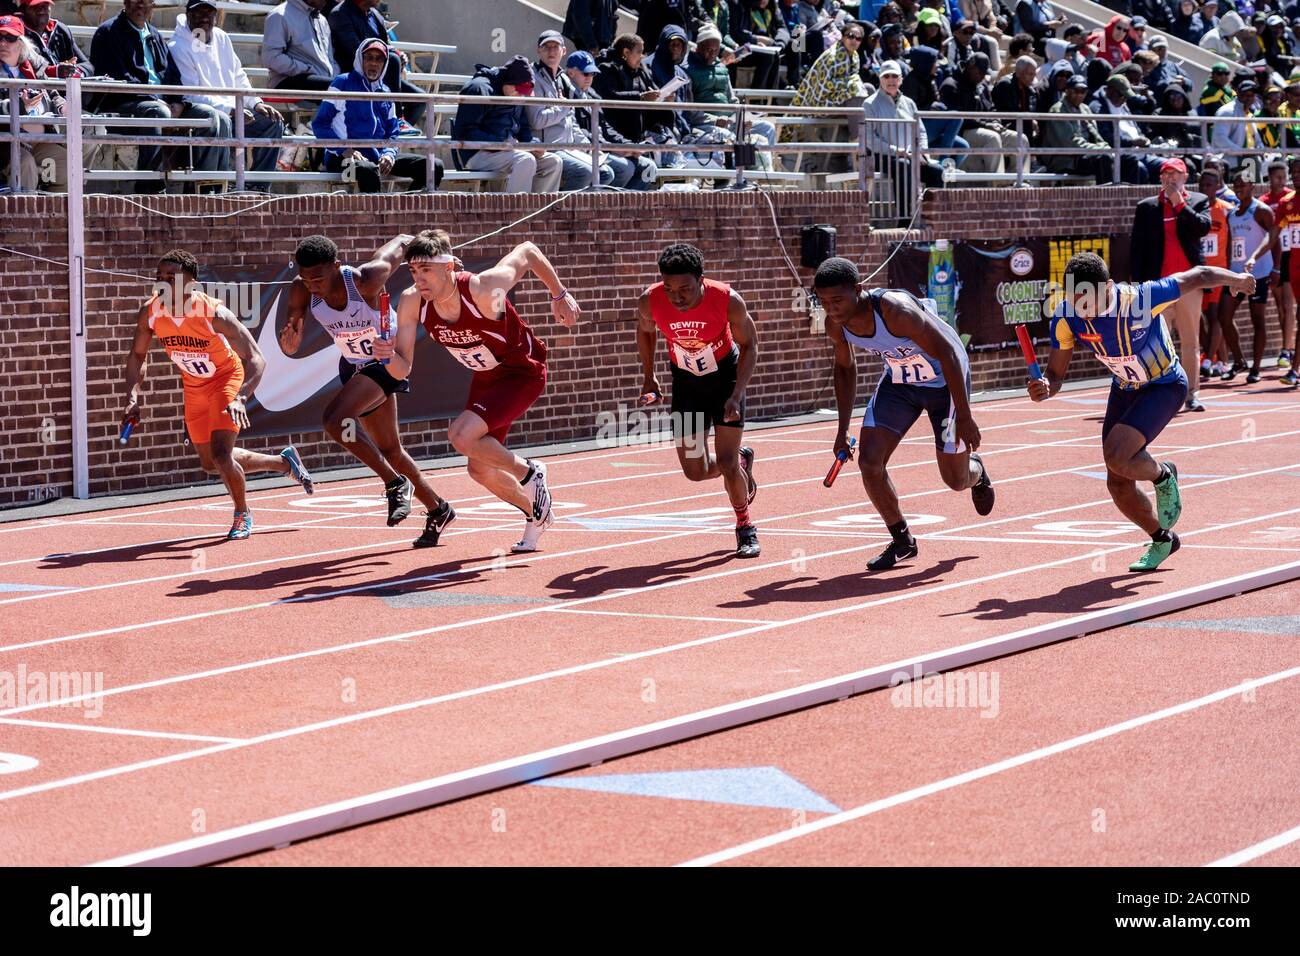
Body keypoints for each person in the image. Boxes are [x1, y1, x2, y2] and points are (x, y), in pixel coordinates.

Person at [1029, 251, 1254, 571]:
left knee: (1117, 455)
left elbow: (1200, 275)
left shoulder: (1141, 299)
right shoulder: (1067, 316)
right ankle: (1162, 538)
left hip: (1164, 385)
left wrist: (1238, 280)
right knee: (1117, 482)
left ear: (1107, 287)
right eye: (1074, 298)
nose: (1082, 308)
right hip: (1124, 388)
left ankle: (1163, 476)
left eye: (1087, 299)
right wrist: (1046, 388)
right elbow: (1055, 375)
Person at [400, 230, 580, 553]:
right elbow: (402, 366)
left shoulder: (485, 290)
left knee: (461, 435)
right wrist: (385, 356)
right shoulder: (413, 302)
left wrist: (558, 294)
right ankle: (535, 512)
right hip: (487, 377)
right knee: (479, 468)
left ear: (449, 267)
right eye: (413, 271)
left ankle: (530, 472)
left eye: (425, 270)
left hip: (521, 371)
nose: (419, 279)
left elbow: (527, 251)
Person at [813, 258, 995, 572]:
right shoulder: (835, 324)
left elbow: (950, 354)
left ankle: (975, 470)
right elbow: (844, 367)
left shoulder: (895, 312)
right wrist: (842, 429)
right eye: (824, 302)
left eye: (838, 300)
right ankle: (902, 541)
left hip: (944, 381)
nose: (831, 309)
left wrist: (964, 415)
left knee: (955, 480)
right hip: (901, 383)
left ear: (859, 290)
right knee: (870, 462)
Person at [124, 250, 314, 540]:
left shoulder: (213, 312)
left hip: (226, 379)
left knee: (222, 454)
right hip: (194, 386)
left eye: (171, 278)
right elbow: (138, 355)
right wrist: (133, 397)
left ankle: (242, 514)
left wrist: (241, 396)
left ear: (191, 283)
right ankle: (284, 463)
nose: (163, 283)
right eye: (159, 277)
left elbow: (257, 358)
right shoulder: (151, 312)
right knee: (210, 463)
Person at [279, 234, 453, 546]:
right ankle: (438, 508)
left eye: (318, 278)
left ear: (337, 265)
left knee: (335, 419)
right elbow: (294, 324)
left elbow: (399, 245)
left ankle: (393, 484)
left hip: (386, 360)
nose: (312, 285)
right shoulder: (301, 288)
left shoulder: (366, 280)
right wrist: (291, 339)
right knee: (390, 450)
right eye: (306, 279)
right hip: (353, 365)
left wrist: (421, 246)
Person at [638, 243, 760, 559]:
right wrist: (649, 375)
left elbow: (750, 345)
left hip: (725, 379)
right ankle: (742, 463)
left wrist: (737, 394)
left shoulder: (727, 300)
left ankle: (745, 527)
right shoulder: (650, 301)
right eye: (669, 288)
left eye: (685, 289)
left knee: (728, 461)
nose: (676, 296)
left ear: (701, 280)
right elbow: (645, 331)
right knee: (695, 470)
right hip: (687, 382)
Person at [1130, 158, 1212, 412]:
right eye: (1166, 175)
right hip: (1159, 286)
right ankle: (1160, 391)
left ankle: (1191, 393)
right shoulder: (1147, 207)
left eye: (1175, 175)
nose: (1170, 179)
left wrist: (1180, 204)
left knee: (1190, 340)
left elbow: (1202, 228)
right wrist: (1138, 287)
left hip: (1189, 283)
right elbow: (1137, 249)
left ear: (1185, 177)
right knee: (1156, 342)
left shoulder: (1198, 201)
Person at [314, 37, 435, 193]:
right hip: (342, 157)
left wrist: (389, 155)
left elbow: (393, 132)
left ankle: (405, 211)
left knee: (432, 166)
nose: (373, 63)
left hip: (376, 156)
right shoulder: (342, 83)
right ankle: (377, 216)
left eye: (379, 59)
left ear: (384, 64)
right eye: (369, 58)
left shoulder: (385, 92)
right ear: (360, 59)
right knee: (368, 170)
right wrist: (345, 149)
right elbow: (320, 124)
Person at [452, 54, 562, 193]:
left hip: (508, 150)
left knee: (553, 162)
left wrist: (533, 144)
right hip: (476, 152)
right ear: (508, 82)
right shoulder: (478, 88)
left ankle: (538, 211)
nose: (521, 96)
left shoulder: (516, 94)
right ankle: (517, 212)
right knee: (525, 161)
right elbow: (465, 132)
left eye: (525, 93)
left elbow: (523, 129)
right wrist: (501, 143)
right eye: (519, 91)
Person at [1217, 168, 1280, 384]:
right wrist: (1226, 270)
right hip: (1236, 274)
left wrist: (1274, 267)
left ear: (1252, 185)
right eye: (1235, 185)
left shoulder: (1261, 211)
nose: (1239, 188)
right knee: (1223, 316)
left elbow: (1273, 238)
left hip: (1258, 274)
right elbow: (1230, 245)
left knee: (1257, 320)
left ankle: (1256, 368)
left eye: (1242, 184)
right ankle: (1239, 361)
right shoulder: (1233, 214)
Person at [262, 0, 338, 93]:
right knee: (339, 88)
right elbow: (271, 58)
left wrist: (336, 75)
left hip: (320, 80)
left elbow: (330, 58)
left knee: (347, 85)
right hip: (289, 80)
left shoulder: (322, 20)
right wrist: (307, 69)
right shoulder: (279, 16)